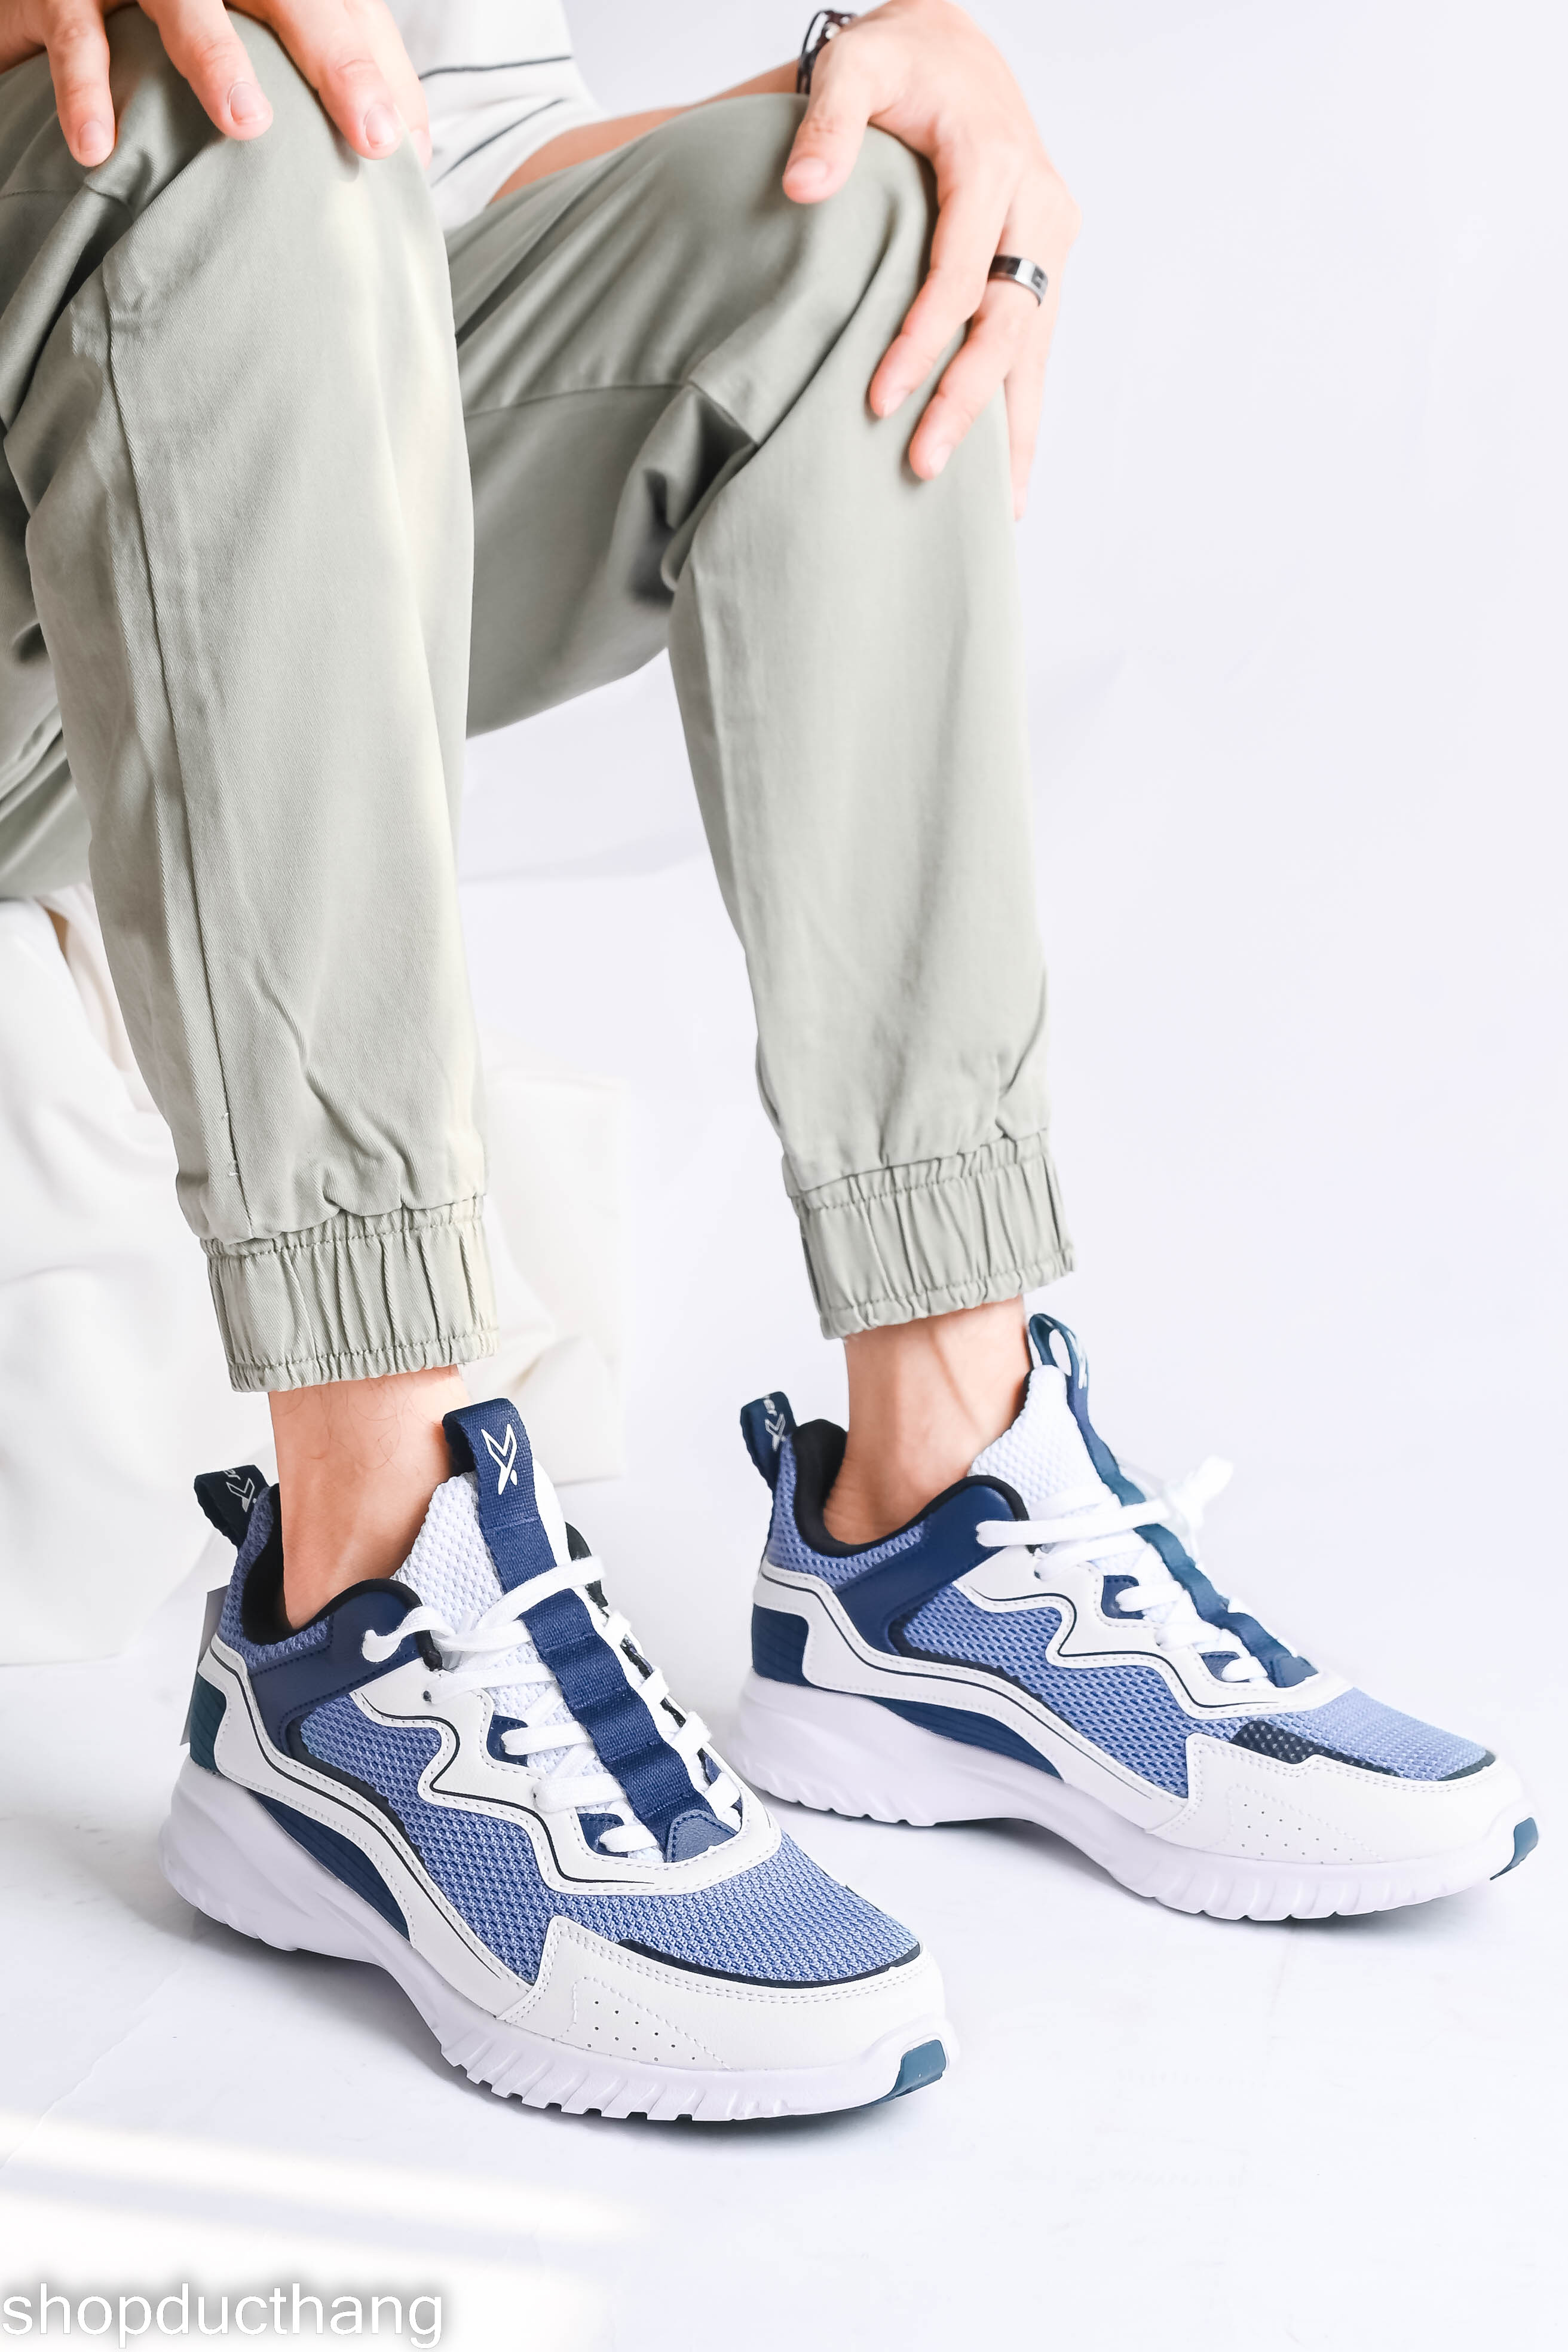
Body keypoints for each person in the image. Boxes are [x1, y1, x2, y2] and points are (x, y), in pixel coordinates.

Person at [0, 0, 1533, 2124]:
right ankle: (360, 1591)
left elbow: (413, 167)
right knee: (209, 98)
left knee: (856, 219)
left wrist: (823, 100)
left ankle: (939, 1506)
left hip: (159, 453)